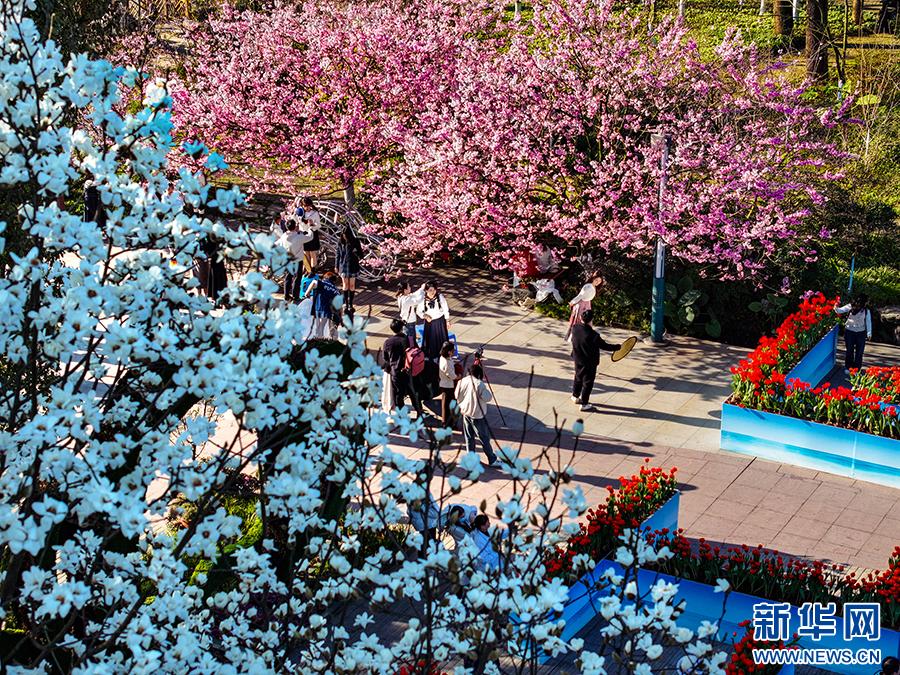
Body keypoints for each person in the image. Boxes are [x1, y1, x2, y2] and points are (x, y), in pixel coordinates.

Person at [571, 309, 621, 412]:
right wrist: (618, 347)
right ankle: (584, 404)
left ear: (581, 318)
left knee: (578, 377)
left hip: (577, 358)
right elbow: (605, 346)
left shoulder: (575, 328)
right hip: (589, 362)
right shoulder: (593, 335)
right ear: (592, 319)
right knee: (587, 383)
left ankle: (575, 396)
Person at [455, 363, 498, 466]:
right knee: (484, 437)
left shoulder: (461, 381)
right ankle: (492, 459)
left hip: (465, 412)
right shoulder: (479, 384)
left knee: (469, 437)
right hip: (477, 415)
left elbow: (456, 395)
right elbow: (488, 397)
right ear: (479, 375)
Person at [835, 293, 872, 374]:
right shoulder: (850, 306)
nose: (867, 303)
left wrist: (869, 333)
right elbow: (840, 310)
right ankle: (848, 367)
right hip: (849, 331)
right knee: (849, 350)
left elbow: (868, 322)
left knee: (859, 351)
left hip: (860, 332)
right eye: (866, 301)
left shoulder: (866, 311)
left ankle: (857, 368)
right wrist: (836, 306)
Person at [276, 220, 311, 303]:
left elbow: (276, 244)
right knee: (297, 277)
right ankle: (295, 296)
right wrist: (311, 227)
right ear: (295, 226)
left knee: (288, 277)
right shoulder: (299, 237)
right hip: (298, 260)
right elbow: (310, 237)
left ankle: (286, 295)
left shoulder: (284, 237)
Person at [382, 318, 412, 412]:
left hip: (395, 371)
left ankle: (400, 411)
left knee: (399, 393)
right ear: (402, 328)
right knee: (412, 391)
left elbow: (385, 358)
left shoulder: (388, 342)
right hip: (408, 370)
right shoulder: (408, 340)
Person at [301, 271, 341, 340]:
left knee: (320, 327)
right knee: (333, 329)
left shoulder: (322, 283)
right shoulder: (336, 290)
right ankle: (333, 341)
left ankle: (319, 341)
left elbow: (313, 282)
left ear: (324, 278)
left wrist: (307, 292)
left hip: (323, 308)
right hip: (334, 312)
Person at [566, 272, 605, 341]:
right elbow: (580, 296)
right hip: (582, 304)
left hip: (586, 304)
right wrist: (572, 302)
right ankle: (575, 337)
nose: (597, 282)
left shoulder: (592, 287)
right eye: (596, 280)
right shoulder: (588, 286)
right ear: (593, 279)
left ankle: (584, 337)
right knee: (580, 320)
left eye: (599, 281)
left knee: (585, 320)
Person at [418, 282, 451, 361]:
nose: (433, 292)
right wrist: (425, 316)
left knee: (441, 339)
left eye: (434, 290)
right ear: (426, 290)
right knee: (430, 340)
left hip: (440, 322)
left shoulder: (440, 298)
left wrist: (447, 320)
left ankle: (442, 355)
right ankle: (431, 356)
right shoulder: (423, 299)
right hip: (430, 323)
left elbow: (446, 309)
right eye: (430, 290)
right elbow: (419, 311)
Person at [335, 225, 363, 318]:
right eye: (343, 235)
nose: (345, 237)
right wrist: (336, 266)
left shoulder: (355, 241)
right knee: (345, 285)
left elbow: (361, 254)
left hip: (353, 264)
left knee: (351, 285)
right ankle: (346, 304)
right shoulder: (340, 242)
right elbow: (338, 254)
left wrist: (356, 252)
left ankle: (350, 304)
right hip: (343, 265)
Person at [437, 341, 458, 427]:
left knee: (448, 404)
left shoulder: (444, 358)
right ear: (448, 351)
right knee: (447, 405)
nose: (453, 351)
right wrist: (458, 376)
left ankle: (449, 421)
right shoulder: (446, 362)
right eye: (452, 350)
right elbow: (451, 375)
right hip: (447, 385)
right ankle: (446, 423)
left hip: (446, 383)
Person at [301, 197, 322, 272]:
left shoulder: (314, 213)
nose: (306, 208)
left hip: (313, 232)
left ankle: (313, 269)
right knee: (306, 252)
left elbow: (319, 225)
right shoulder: (301, 213)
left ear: (310, 205)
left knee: (312, 252)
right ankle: (307, 269)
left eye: (307, 206)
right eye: (304, 206)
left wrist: (312, 224)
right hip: (304, 233)